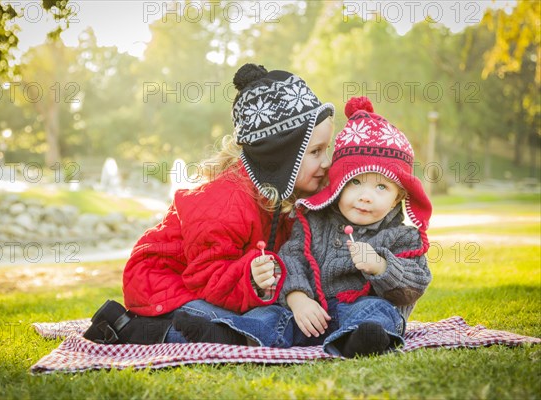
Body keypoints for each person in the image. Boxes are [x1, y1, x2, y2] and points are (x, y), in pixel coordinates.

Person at [83, 63, 335, 345]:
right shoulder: (227, 201)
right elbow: (206, 276)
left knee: (266, 319)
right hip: (167, 285)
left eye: (327, 149)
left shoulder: (278, 194)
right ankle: (129, 328)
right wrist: (251, 276)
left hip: (216, 284)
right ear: (281, 155)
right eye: (315, 151)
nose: (326, 162)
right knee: (220, 328)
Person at [174, 96, 433, 358]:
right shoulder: (314, 220)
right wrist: (297, 299)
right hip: (310, 313)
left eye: (381, 187)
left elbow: (415, 283)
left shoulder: (403, 237)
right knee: (271, 317)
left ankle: (359, 340)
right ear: (338, 182)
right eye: (355, 182)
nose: (366, 196)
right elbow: (292, 258)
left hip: (361, 310)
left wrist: (381, 266)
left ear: (397, 198)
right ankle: (233, 334)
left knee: (378, 312)